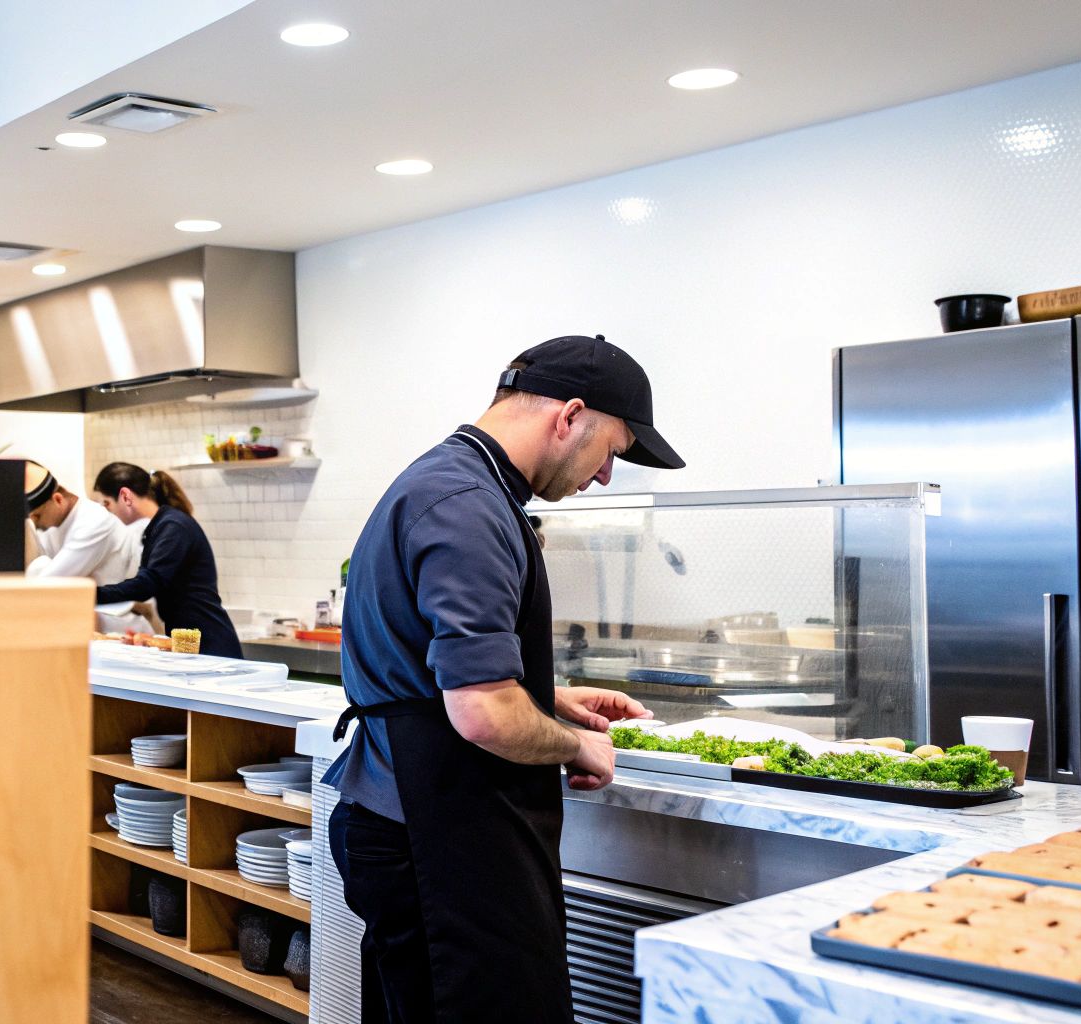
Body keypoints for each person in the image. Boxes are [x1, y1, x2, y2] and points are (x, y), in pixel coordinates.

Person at [322, 335, 683, 1024]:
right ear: (568, 416)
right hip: (432, 837)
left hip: (425, 821)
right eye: (613, 447)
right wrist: (579, 746)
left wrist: (543, 698)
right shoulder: (468, 506)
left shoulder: (450, 481)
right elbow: (482, 714)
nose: (607, 474)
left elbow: (437, 672)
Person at [90, 463, 243, 659]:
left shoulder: (173, 526)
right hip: (190, 643)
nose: (108, 511)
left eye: (107, 503)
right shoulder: (161, 527)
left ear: (126, 496)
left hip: (209, 644)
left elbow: (147, 584)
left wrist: (91, 595)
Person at [21, 461, 150, 634]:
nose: (35, 522)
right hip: (80, 623)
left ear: (58, 499)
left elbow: (49, 583)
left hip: (118, 626)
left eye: (37, 515)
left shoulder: (95, 522)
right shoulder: (49, 525)